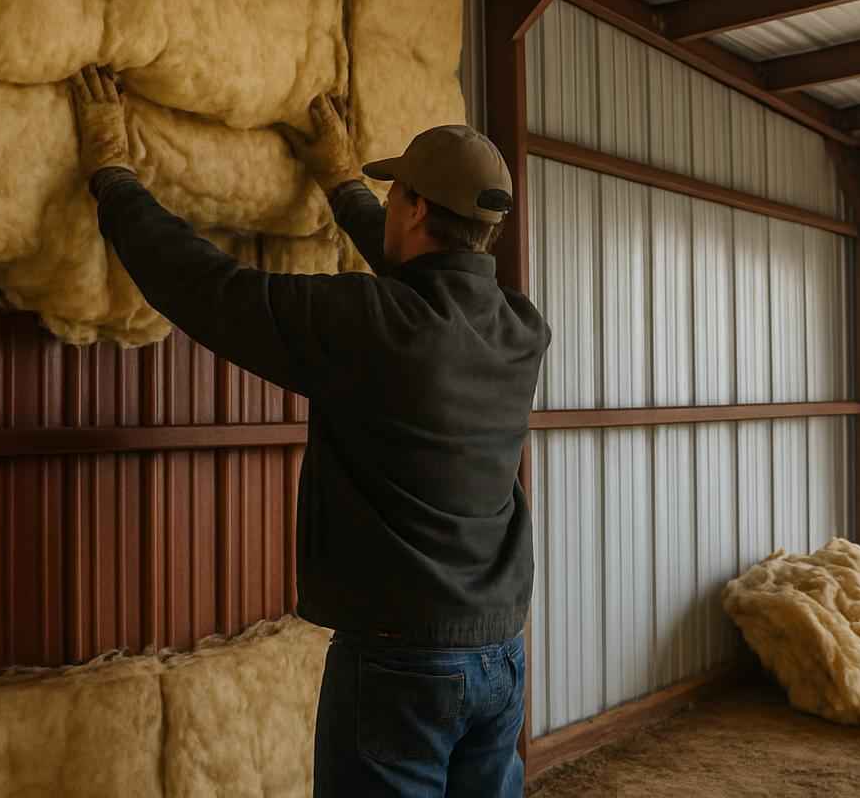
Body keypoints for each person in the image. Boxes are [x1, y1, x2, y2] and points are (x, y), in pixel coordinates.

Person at [69, 65, 549, 797]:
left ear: (415, 209)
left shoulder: (369, 326)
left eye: (395, 196)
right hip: (498, 652)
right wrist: (345, 186)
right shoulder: (520, 328)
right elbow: (430, 275)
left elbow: (210, 290)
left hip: (401, 664)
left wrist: (114, 179)